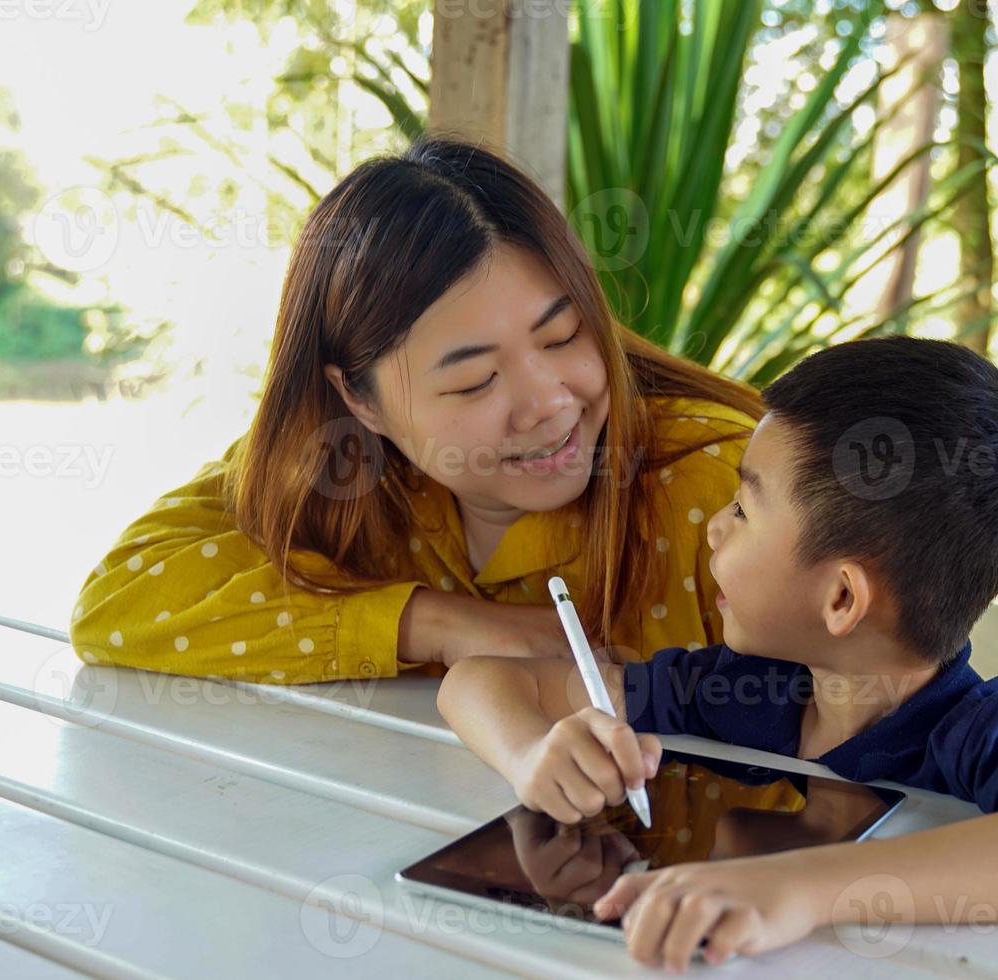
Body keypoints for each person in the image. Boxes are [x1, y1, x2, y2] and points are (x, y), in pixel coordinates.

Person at [439, 336, 998, 970]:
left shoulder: (980, 728)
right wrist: (532, 755)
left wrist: (797, 888)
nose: (713, 528)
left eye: (743, 510)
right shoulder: (749, 690)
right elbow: (479, 682)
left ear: (841, 600)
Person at [69, 134, 761, 683]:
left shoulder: (724, 488)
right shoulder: (333, 465)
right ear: (358, 400)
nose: (549, 404)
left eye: (564, 335)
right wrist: (432, 623)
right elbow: (116, 605)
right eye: (474, 382)